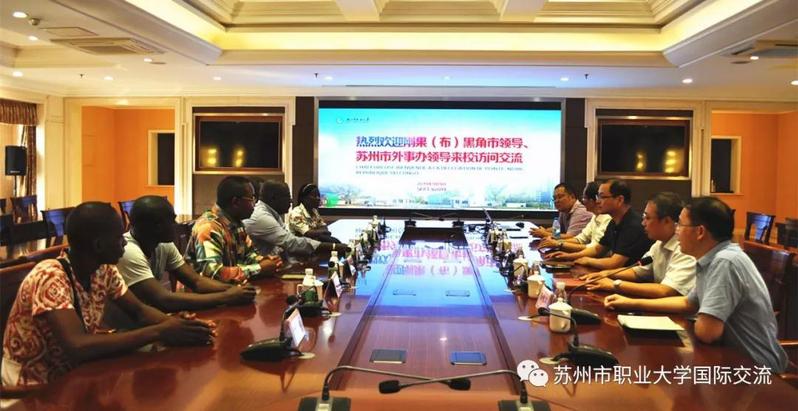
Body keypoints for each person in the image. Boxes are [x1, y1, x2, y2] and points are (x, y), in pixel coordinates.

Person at [2, 202, 213, 387]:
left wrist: (177, 326)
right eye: (119, 237)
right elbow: (78, 346)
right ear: (99, 245)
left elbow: (139, 311)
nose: (125, 242)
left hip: (75, 374)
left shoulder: (103, 270)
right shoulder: (50, 276)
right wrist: (160, 331)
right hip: (34, 386)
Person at [604, 197, 788, 372]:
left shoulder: (724, 262)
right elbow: (688, 302)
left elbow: (707, 333)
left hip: (755, 368)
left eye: (680, 225)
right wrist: (630, 303)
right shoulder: (711, 258)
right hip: (729, 358)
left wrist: (702, 315)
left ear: (700, 232)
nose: (676, 230)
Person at [115, 196, 257, 314]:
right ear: (158, 226)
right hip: (123, 330)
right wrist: (226, 297)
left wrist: (234, 290)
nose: (176, 224)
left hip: (149, 319)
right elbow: (164, 300)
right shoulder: (128, 252)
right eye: (172, 220)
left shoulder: (163, 244)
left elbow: (196, 281)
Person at [579, 192, 696, 298]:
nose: (643, 223)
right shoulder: (659, 243)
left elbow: (665, 291)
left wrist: (615, 284)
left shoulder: (685, 248)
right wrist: (606, 274)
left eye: (647, 218)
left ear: (666, 221)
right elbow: (638, 272)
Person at [185, 176, 282, 283]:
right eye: (252, 199)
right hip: (203, 292)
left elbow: (248, 255)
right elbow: (213, 273)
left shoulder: (236, 223)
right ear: (235, 202)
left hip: (230, 289)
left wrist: (266, 261)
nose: (255, 205)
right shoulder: (208, 227)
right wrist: (259, 268)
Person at [545, 179, 652, 269]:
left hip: (631, 279)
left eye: (602, 197)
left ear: (619, 200)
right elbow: (597, 249)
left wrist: (587, 260)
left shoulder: (632, 225)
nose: (598, 201)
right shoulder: (613, 222)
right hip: (616, 274)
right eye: (597, 197)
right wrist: (569, 256)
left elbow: (615, 263)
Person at [244, 181, 350, 262]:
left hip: (275, 262)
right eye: (288, 197)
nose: (291, 201)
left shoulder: (273, 214)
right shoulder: (261, 217)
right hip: (261, 269)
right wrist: (334, 247)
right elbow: (291, 242)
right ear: (274, 198)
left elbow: (287, 241)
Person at [538, 181, 611, 252]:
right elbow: (579, 238)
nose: (556, 201)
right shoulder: (594, 217)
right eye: (554, 198)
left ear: (572, 197)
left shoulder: (581, 212)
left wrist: (548, 236)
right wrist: (545, 232)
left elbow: (594, 248)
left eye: (560, 197)